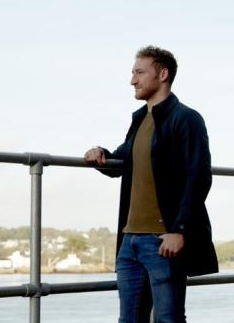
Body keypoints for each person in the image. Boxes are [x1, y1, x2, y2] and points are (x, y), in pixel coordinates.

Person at [84, 46, 218, 323]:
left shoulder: (186, 118)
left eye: (139, 72)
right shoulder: (140, 119)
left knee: (168, 320)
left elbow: (199, 177)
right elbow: (121, 161)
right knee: (129, 320)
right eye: (133, 73)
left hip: (161, 240)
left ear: (163, 74)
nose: (132, 80)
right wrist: (100, 154)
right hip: (129, 239)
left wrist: (179, 230)